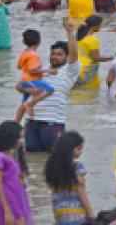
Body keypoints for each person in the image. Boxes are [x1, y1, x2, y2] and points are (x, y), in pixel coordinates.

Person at [26, 19, 81, 152]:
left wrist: (71, 33)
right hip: (32, 123)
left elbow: (74, 55)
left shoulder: (69, 72)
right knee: (33, 160)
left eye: (59, 55)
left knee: (56, 159)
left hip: (53, 124)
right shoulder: (41, 70)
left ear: (67, 57)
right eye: (53, 54)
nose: (54, 57)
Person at [0, 120, 32, 225]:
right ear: (9, 137)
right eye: (19, 137)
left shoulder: (11, 155)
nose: (21, 141)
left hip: (18, 198)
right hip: (8, 200)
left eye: (23, 137)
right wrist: (7, 209)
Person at [45, 131, 93, 224]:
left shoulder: (53, 167)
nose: (81, 152)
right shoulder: (78, 167)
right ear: (69, 149)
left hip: (59, 214)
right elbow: (81, 193)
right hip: (77, 214)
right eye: (79, 149)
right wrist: (91, 214)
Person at [15, 29, 54, 122]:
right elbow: (32, 70)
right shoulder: (34, 55)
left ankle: (16, 122)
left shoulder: (24, 53)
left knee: (24, 102)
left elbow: (19, 66)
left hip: (24, 80)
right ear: (39, 42)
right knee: (49, 90)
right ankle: (31, 104)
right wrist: (47, 71)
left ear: (24, 42)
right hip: (32, 80)